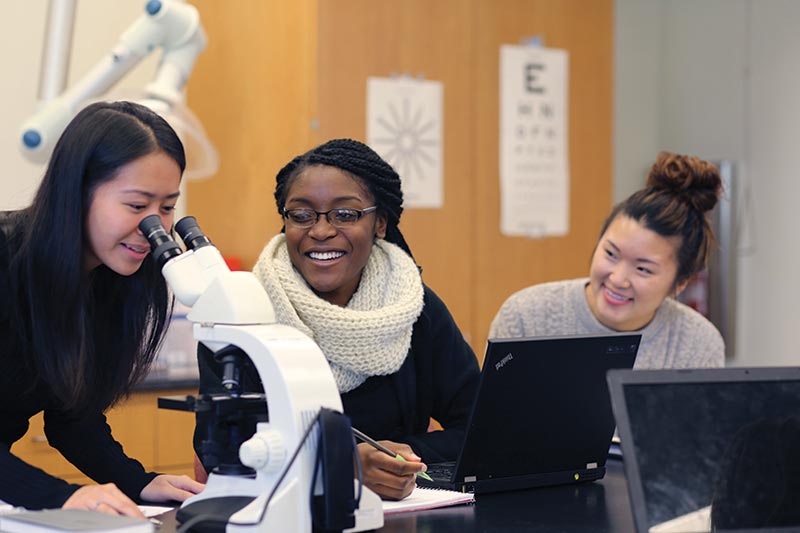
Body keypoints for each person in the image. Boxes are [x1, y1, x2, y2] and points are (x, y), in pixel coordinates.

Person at [195, 138, 480, 500]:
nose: (321, 230)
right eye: (301, 215)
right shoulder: (244, 313)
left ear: (380, 223)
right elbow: (219, 450)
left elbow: (479, 429)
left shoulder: (414, 309)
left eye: (345, 214)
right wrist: (341, 464)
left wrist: (397, 458)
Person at [0, 101, 204, 515]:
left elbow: (73, 415)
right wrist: (60, 497)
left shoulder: (111, 281)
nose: (154, 228)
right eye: (136, 205)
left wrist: (141, 483)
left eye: (166, 208)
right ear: (76, 191)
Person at [490, 152, 725, 369]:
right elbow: (495, 413)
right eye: (611, 254)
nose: (618, 279)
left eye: (643, 269)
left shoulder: (697, 343)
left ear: (681, 283)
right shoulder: (527, 317)